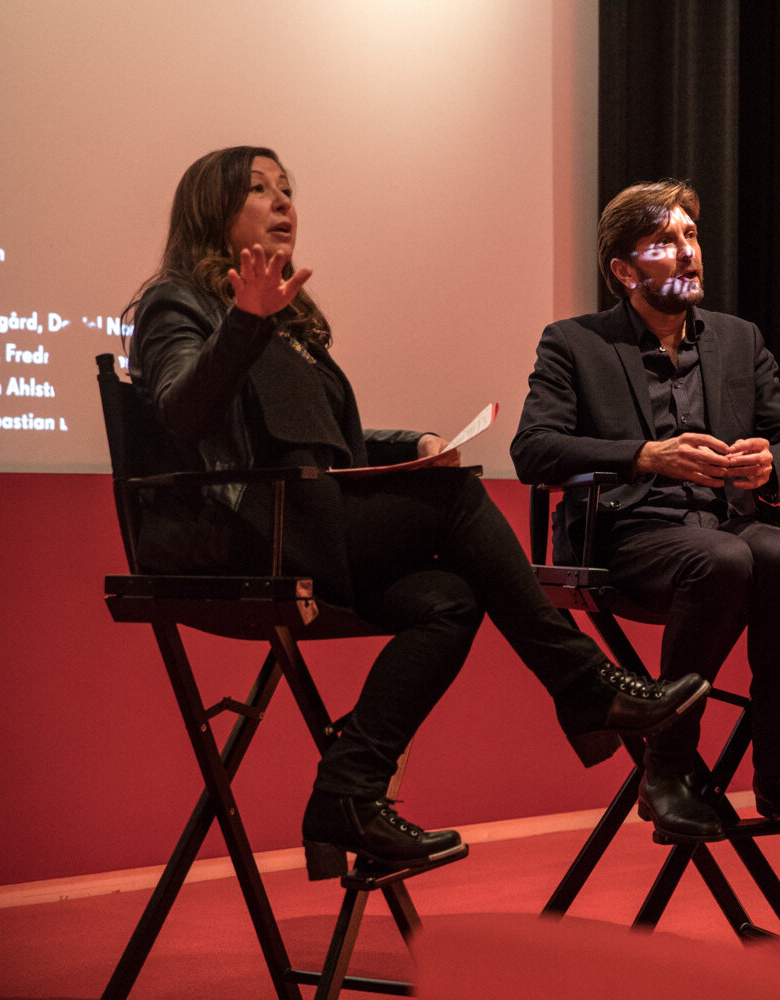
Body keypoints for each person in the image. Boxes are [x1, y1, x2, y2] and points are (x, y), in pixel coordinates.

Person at [127, 147, 710, 880]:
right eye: (258, 189)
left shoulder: (286, 318)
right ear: (212, 209)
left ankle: (348, 789)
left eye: (288, 189)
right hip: (249, 539)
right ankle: (585, 685)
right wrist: (242, 322)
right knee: (458, 499)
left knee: (449, 598)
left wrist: (414, 444)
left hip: (304, 526)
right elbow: (180, 412)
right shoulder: (179, 303)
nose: (283, 204)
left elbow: (330, 443)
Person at [511, 179, 780, 847]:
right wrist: (647, 456)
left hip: (728, 523)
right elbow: (533, 449)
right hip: (628, 536)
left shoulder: (737, 341)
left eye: (692, 236)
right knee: (725, 560)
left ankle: (779, 774)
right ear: (624, 270)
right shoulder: (574, 345)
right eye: (666, 241)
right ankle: (666, 771)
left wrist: (770, 465)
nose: (688, 252)